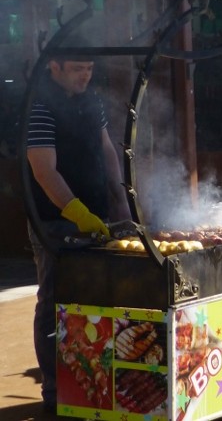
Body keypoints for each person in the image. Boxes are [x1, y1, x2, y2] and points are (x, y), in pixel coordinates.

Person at [25, 50, 130, 412]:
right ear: (54, 66)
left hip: (98, 214)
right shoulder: (38, 106)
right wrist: (76, 213)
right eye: (77, 70)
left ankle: (94, 387)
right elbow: (43, 170)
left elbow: (107, 150)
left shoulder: (92, 100)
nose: (85, 76)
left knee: (99, 298)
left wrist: (121, 202)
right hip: (53, 221)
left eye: (89, 69)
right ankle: (55, 393)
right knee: (54, 301)